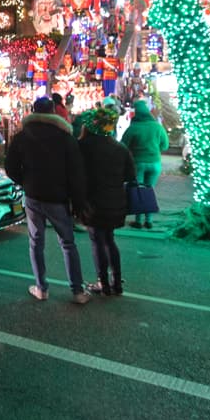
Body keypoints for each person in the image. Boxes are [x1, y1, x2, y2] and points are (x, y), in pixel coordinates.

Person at [4, 97, 91, 304]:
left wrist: (25, 182)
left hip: (33, 196)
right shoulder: (65, 137)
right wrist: (78, 201)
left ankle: (41, 288)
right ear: (52, 112)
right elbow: (76, 172)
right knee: (68, 243)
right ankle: (77, 291)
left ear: (34, 111)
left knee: (36, 243)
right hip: (59, 198)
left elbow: (10, 167)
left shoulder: (22, 137)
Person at [77, 106, 135, 296]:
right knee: (109, 239)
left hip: (93, 202)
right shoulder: (120, 148)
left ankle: (103, 282)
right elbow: (130, 176)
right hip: (116, 201)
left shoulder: (83, 147)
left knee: (97, 241)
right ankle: (116, 282)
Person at [120, 99, 169, 229]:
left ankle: (138, 220)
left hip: (138, 164)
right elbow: (165, 145)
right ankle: (149, 220)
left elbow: (123, 146)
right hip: (155, 164)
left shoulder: (133, 128)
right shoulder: (157, 127)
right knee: (149, 190)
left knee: (138, 191)